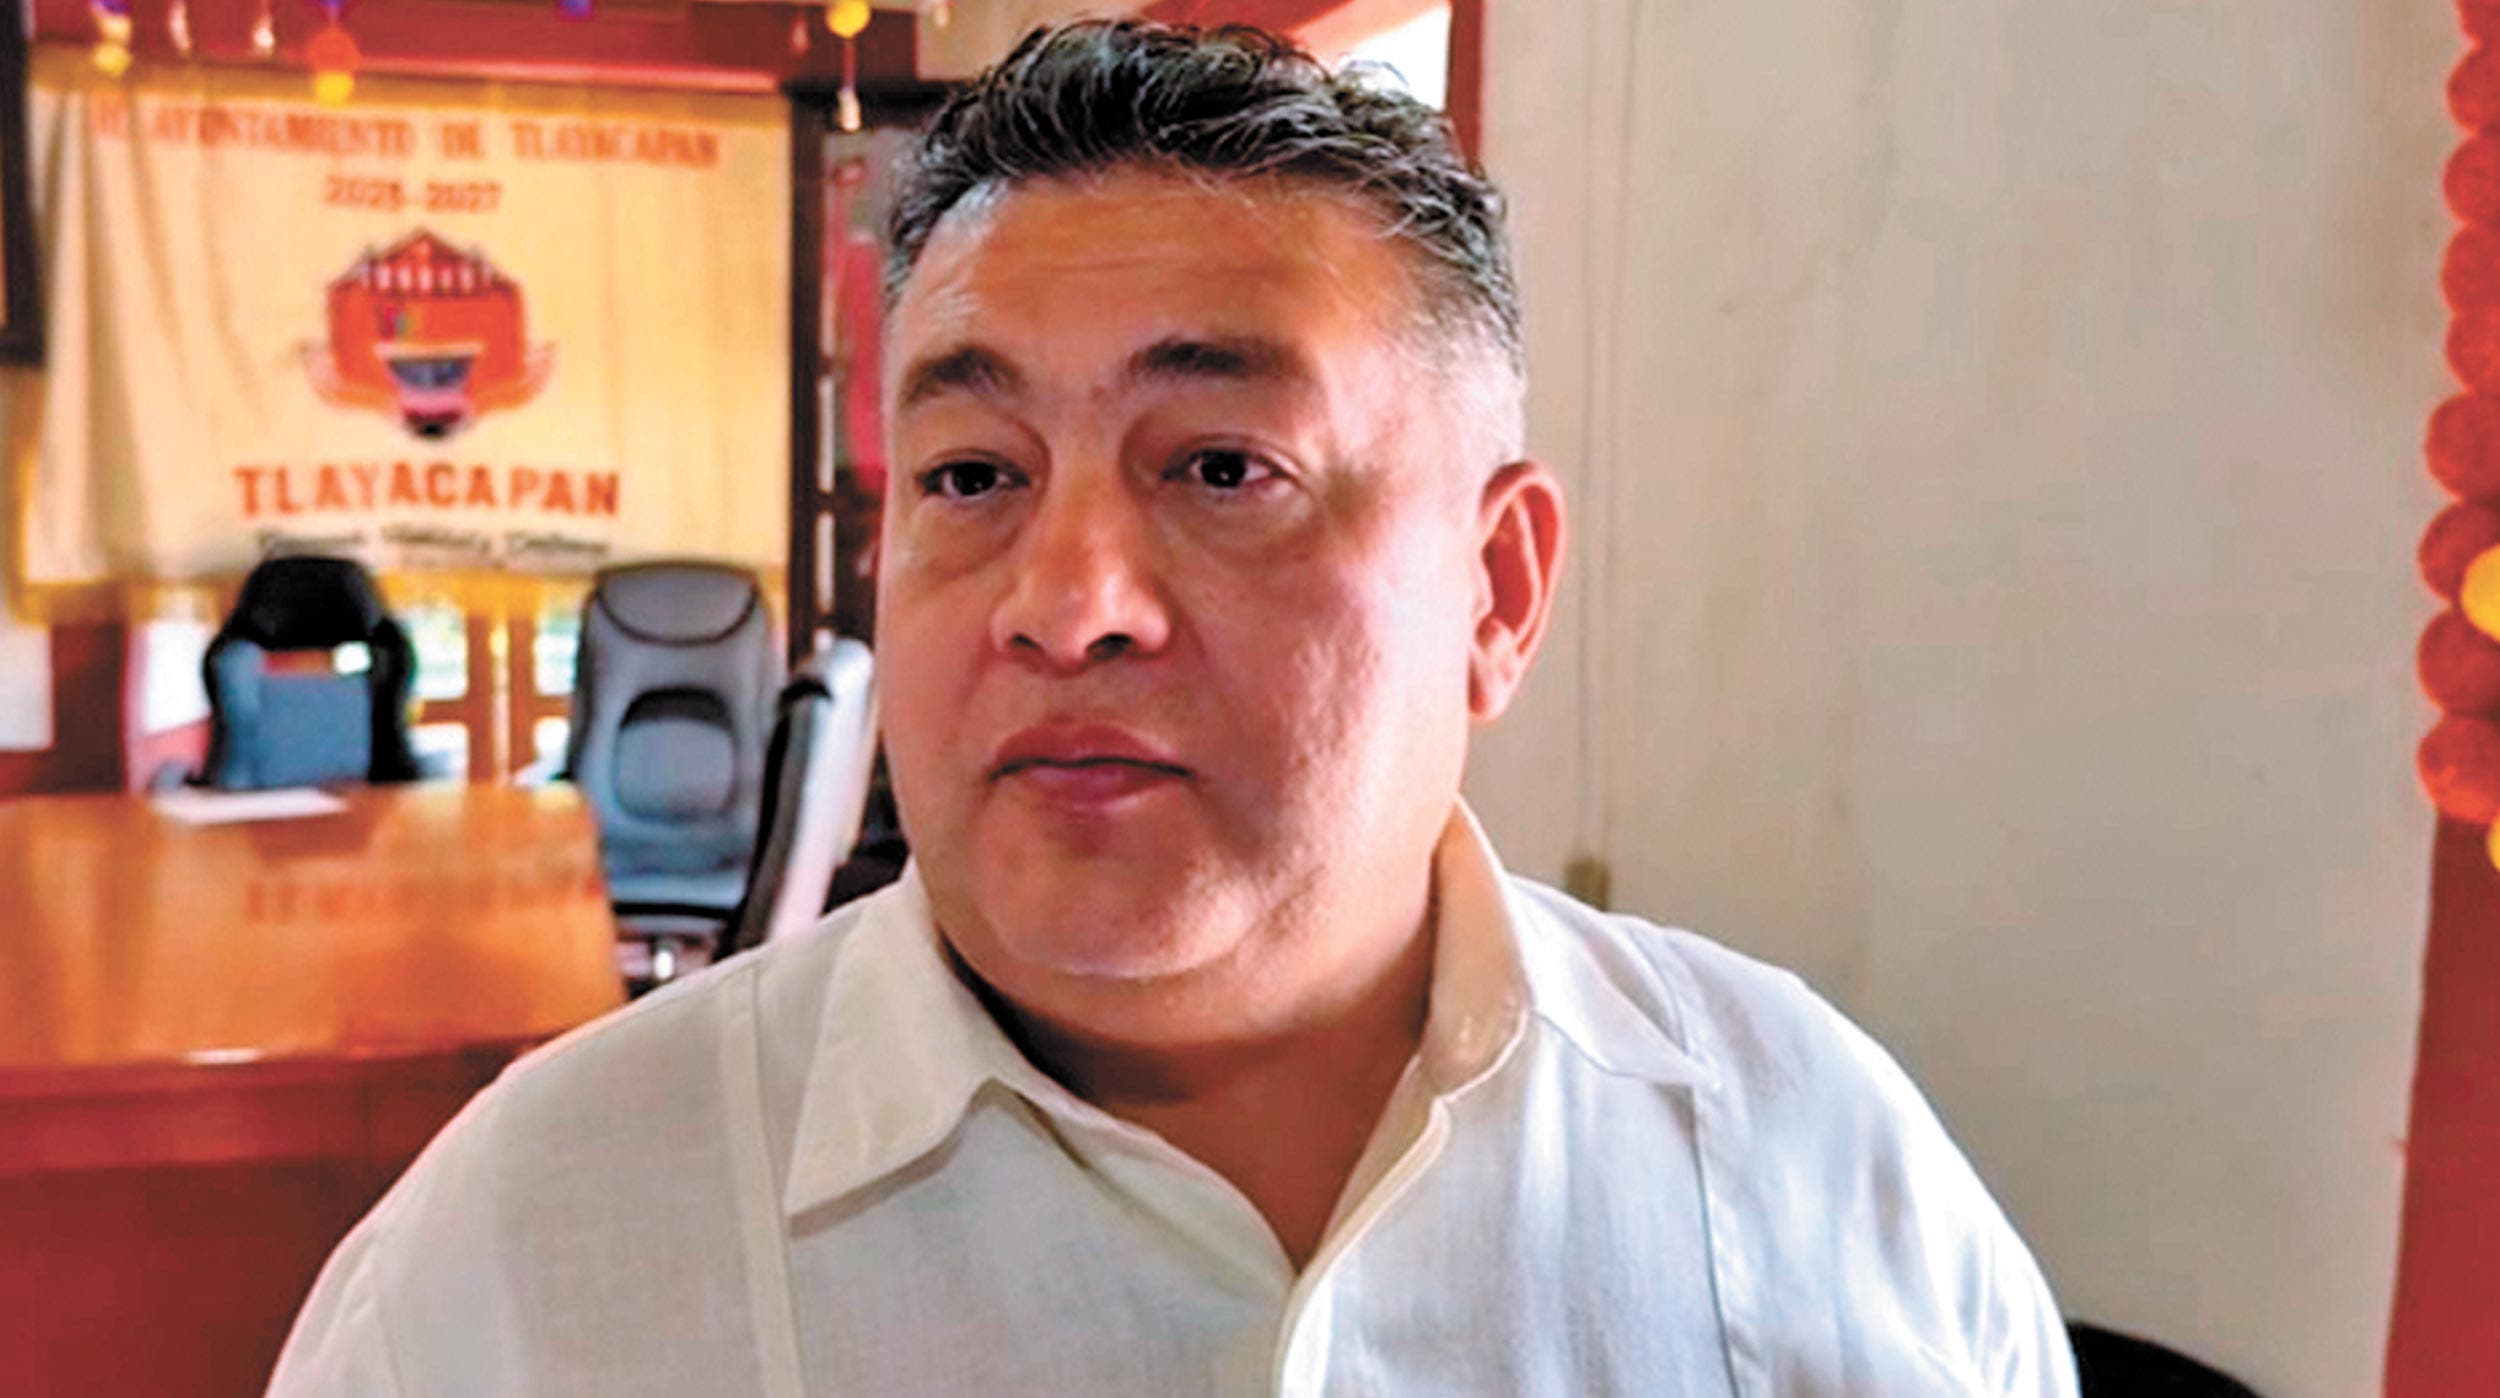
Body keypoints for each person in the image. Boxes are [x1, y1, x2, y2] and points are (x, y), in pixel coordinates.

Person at [272, 21, 2078, 1395]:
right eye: (974, 475)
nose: (1066, 606)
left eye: (1222, 466)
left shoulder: (1816, 1171)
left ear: (1499, 590)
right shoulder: (522, 1259)